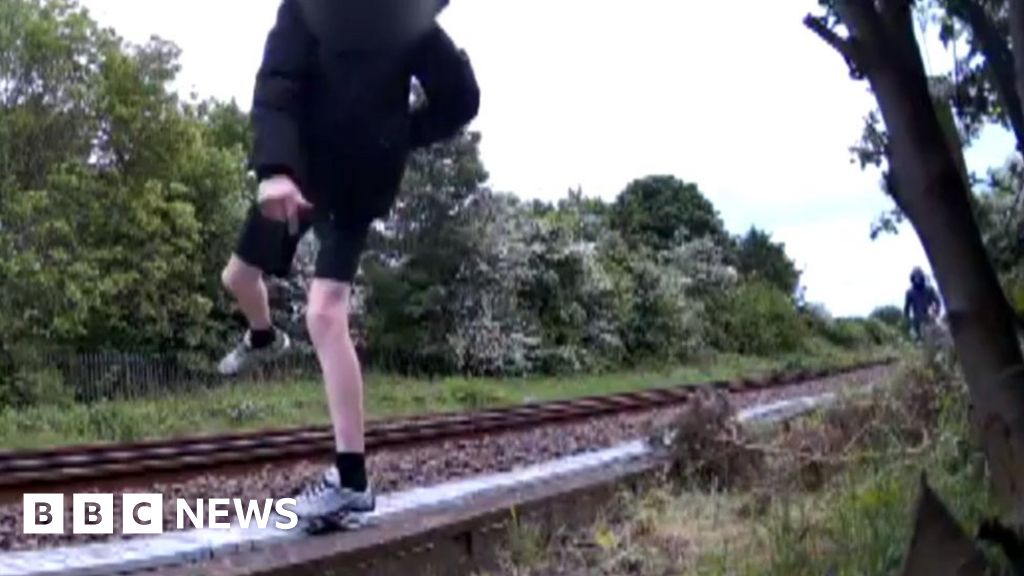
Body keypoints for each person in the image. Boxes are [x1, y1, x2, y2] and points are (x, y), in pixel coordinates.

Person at [219, 0, 479, 520]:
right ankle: (265, 337)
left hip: (359, 179)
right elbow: (277, 86)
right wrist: (275, 167)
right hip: (298, 172)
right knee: (238, 276)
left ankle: (351, 481)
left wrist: (401, 135)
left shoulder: (409, 23)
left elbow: (460, 99)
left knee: (324, 313)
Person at [904, 267, 941, 342]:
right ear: (913, 278)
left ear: (922, 277)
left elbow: (937, 302)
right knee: (919, 342)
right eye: (916, 277)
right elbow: (906, 309)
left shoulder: (929, 290)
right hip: (917, 322)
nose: (918, 279)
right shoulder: (910, 293)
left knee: (935, 339)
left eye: (919, 277)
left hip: (930, 319)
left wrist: (936, 312)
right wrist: (908, 323)